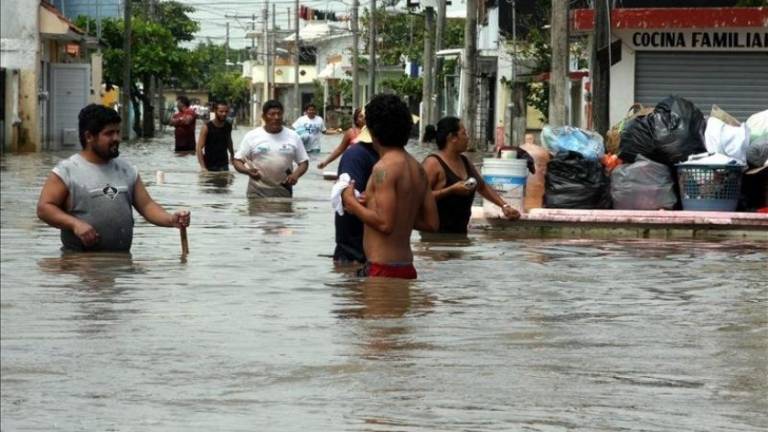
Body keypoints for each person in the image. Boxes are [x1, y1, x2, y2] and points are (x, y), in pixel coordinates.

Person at [36, 104, 191, 252]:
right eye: (109, 133)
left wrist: (171, 220)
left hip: (121, 265)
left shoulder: (127, 170)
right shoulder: (67, 171)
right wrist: (75, 224)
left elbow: (147, 206)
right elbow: (44, 208)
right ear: (89, 136)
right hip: (80, 264)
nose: (117, 138)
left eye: (117, 132)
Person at [341, 94, 439, 279]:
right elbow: (432, 224)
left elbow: (385, 224)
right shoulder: (418, 169)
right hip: (407, 268)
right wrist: (371, 207)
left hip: (382, 268)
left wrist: (351, 203)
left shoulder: (382, 168)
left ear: (370, 131)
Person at [422, 116, 520, 234]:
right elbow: (419, 198)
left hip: (460, 237)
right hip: (435, 241)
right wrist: (451, 190)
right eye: (464, 134)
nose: (468, 138)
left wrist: (504, 206)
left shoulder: (464, 161)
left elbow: (482, 186)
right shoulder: (433, 164)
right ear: (452, 137)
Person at [233, 99, 309, 198]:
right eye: (272, 114)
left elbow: (304, 162)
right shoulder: (252, 136)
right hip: (257, 190)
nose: (276, 117)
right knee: (258, 213)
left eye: (279, 114)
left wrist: (296, 175)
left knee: (284, 213)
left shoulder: (293, 136)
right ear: (264, 116)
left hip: (283, 190)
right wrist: (247, 171)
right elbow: (237, 160)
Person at [331, 119, 378, 264]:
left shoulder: (392, 158)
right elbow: (348, 198)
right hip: (354, 251)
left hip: (377, 249)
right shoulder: (356, 155)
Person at [196, 101, 234, 172]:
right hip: (210, 166)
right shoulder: (207, 127)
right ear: (215, 111)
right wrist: (203, 167)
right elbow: (199, 148)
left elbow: (229, 141)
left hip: (224, 165)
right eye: (221, 111)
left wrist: (232, 155)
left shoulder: (228, 125)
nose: (224, 114)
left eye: (226, 111)